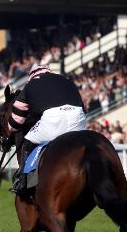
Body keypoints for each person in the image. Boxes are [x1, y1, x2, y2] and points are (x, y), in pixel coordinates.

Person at [9, 65, 86, 196]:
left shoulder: (30, 86)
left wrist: (11, 128)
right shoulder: (65, 80)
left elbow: (16, 120)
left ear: (32, 76)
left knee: (27, 140)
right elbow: (82, 106)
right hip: (78, 116)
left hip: (53, 119)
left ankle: (24, 181)